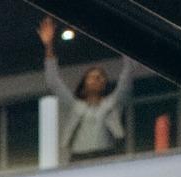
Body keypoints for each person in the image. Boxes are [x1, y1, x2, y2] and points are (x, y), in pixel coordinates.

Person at [40, 18, 137, 161]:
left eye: (100, 77)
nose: (96, 79)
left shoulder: (111, 104)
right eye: (92, 77)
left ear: (104, 83)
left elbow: (126, 79)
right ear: (84, 84)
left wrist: (125, 44)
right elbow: (54, 82)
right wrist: (48, 46)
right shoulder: (75, 106)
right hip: (79, 158)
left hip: (106, 155)